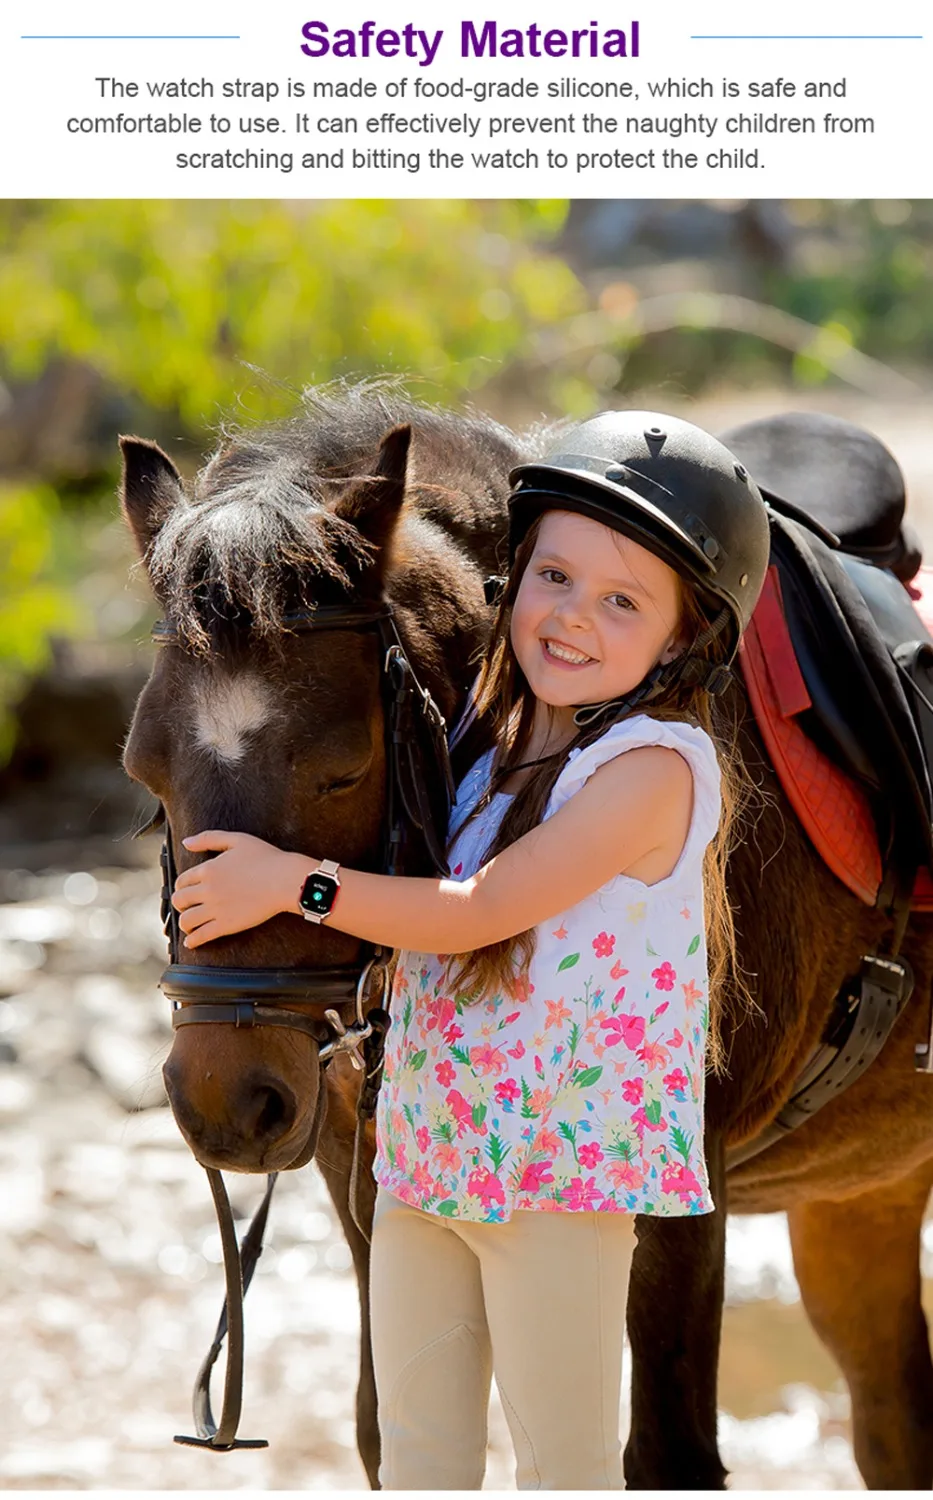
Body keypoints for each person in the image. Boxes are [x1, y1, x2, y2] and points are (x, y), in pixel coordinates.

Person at [169, 410, 772, 1490]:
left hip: (555, 1187)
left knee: (563, 1468)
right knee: (419, 1462)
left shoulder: (653, 769)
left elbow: (479, 910)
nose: (572, 617)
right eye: (555, 577)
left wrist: (293, 883)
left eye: (622, 602)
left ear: (684, 640)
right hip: (425, 1162)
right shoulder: (486, 747)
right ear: (512, 576)